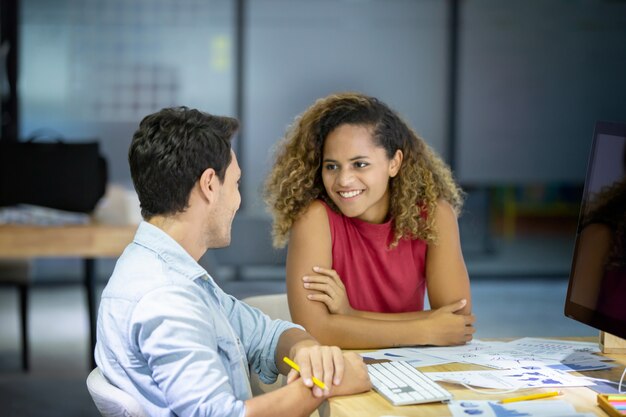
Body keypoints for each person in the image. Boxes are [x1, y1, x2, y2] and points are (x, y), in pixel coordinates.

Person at [94, 107, 370, 417]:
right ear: (210, 184)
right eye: (236, 184)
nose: (237, 201)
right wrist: (325, 383)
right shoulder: (167, 297)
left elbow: (265, 334)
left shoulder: (169, 270)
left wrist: (306, 350)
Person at [264, 92, 475, 349]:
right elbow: (316, 331)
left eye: (360, 164)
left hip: (413, 368)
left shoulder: (434, 215)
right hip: (339, 370)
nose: (343, 180)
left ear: (394, 163)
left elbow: (457, 324)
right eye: (332, 166)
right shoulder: (314, 219)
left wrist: (351, 315)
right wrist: (426, 329)